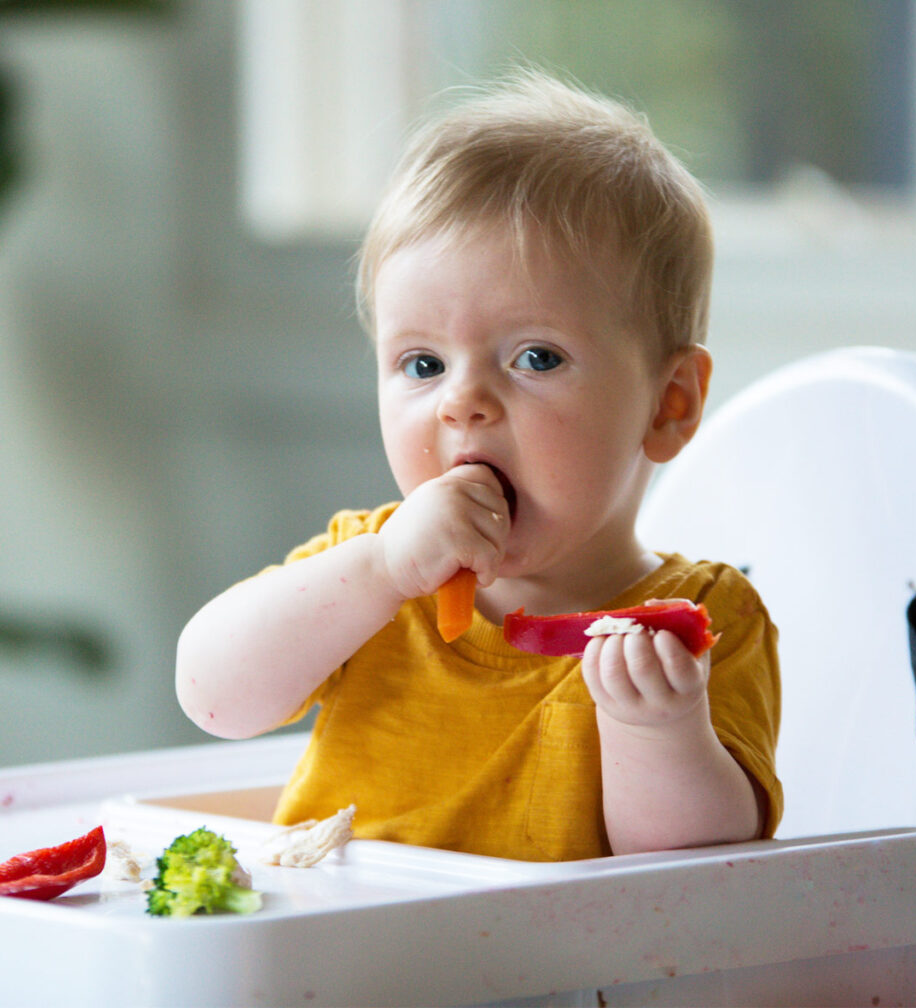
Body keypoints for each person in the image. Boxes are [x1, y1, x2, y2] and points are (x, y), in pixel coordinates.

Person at [176, 69, 782, 862]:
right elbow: (214, 698)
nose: (462, 402)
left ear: (668, 404)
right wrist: (382, 569)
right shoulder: (371, 570)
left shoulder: (703, 621)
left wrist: (657, 727)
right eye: (422, 364)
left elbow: (686, 883)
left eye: (535, 357)